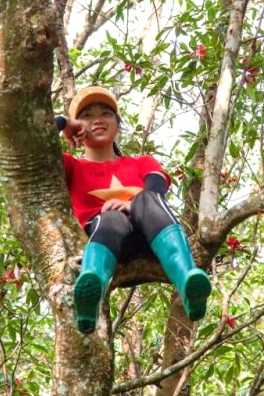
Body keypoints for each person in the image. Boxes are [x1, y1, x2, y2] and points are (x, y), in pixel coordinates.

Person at [55, 86, 211, 334]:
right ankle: (91, 289)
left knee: (145, 199)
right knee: (112, 219)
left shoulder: (140, 162)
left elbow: (157, 186)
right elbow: (29, 146)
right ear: (78, 126)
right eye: (86, 115)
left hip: (151, 233)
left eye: (106, 113)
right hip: (107, 237)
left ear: (117, 123)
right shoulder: (72, 167)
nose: (97, 119)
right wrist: (63, 122)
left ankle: (187, 281)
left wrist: (132, 205)